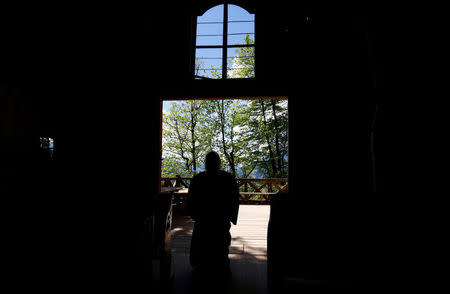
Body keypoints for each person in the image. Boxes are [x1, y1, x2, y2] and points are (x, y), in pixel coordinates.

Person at [187, 151, 240, 276]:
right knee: (221, 244)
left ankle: (202, 265)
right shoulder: (228, 178)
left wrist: (194, 215)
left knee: (202, 243)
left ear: (205, 164)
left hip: (203, 219)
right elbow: (234, 200)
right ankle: (222, 265)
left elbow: (191, 200)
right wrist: (231, 216)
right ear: (219, 163)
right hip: (221, 219)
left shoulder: (197, 178)